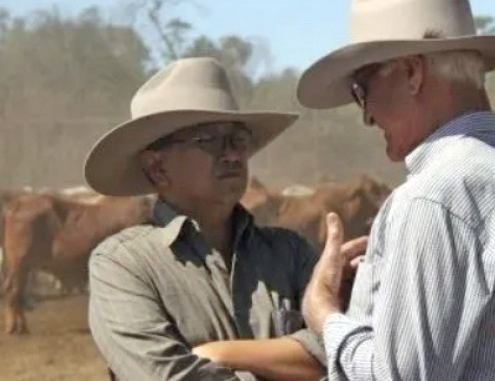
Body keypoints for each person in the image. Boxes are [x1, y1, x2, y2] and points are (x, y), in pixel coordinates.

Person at [297, 0, 495, 380]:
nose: (366, 116)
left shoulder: (432, 197)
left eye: (363, 89)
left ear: (412, 72)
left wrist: (324, 312)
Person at [84, 57, 362, 380]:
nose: (232, 154)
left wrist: (221, 354)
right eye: (208, 140)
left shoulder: (289, 252)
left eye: (238, 140)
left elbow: (337, 355)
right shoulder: (122, 265)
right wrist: (289, 359)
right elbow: (168, 376)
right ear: (157, 168)